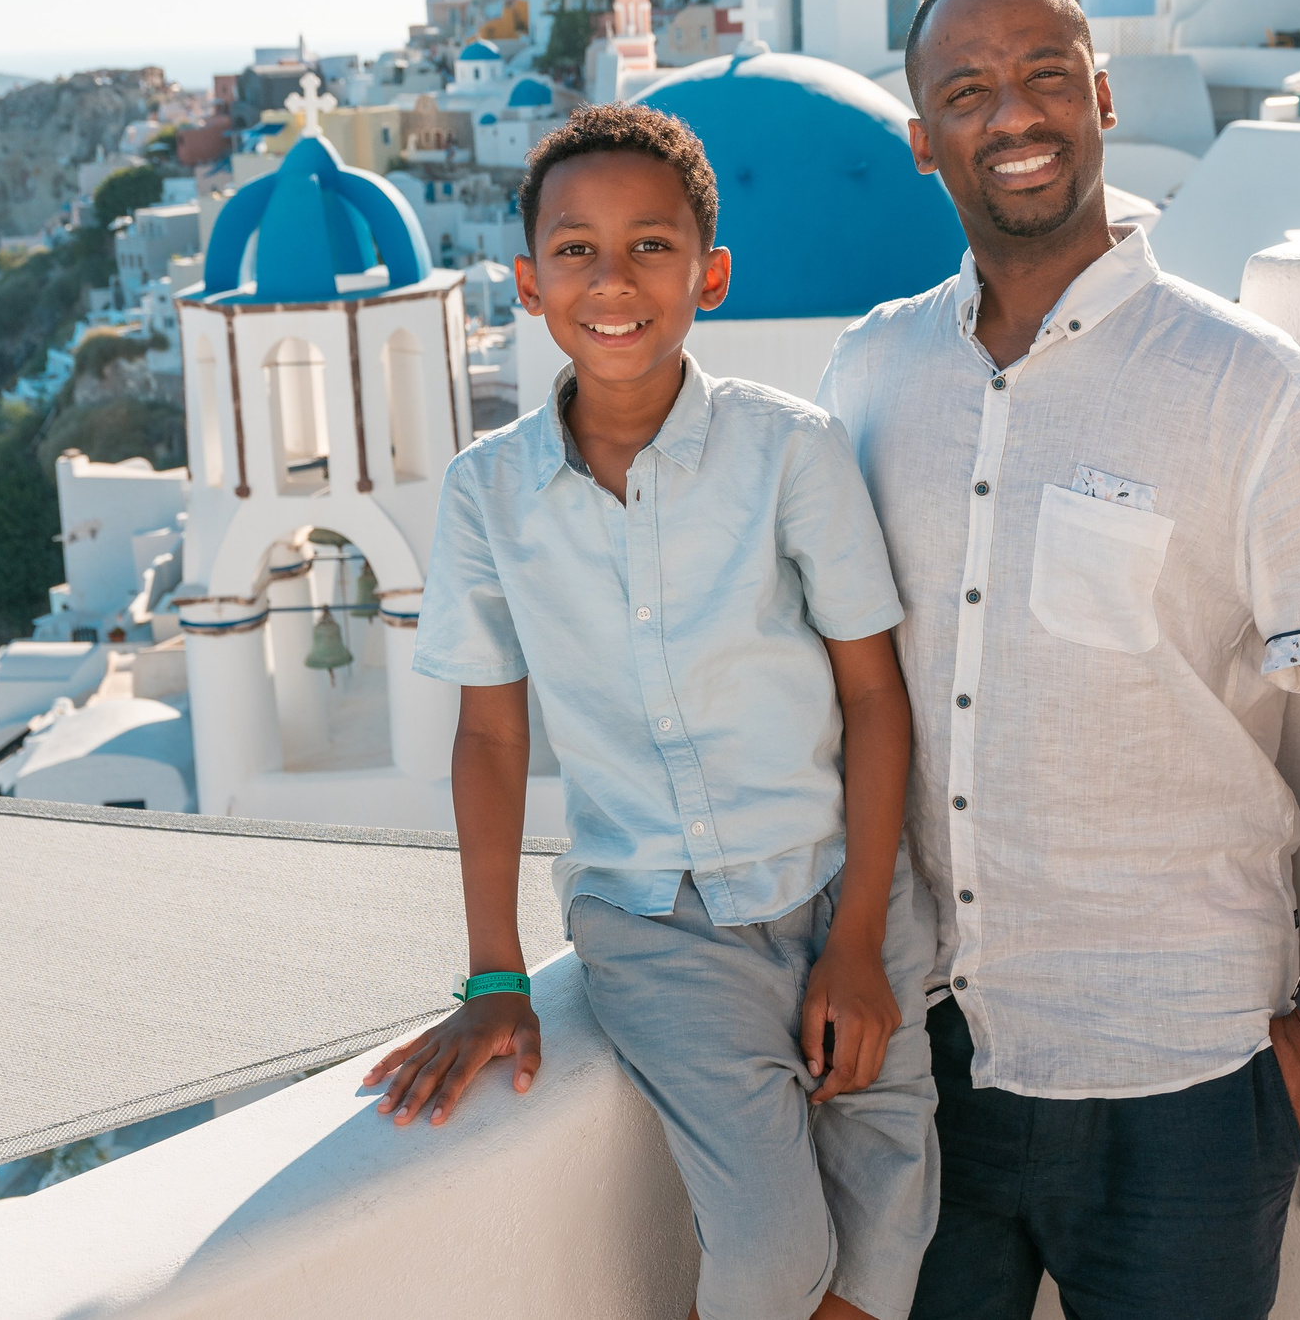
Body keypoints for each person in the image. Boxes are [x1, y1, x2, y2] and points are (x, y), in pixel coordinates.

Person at [817, 0, 1300, 1320]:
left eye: (1045, 74)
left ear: (1101, 97)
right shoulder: (871, 373)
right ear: (923, 139)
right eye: (967, 91)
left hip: (1188, 1081)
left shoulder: (1253, 392)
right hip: (930, 1065)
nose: (1013, 114)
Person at [365, 102, 940, 1320]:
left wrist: (855, 943)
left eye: (650, 247)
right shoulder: (485, 493)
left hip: (846, 890)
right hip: (657, 923)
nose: (612, 280)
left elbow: (872, 694)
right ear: (528, 283)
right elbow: (490, 736)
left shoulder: (791, 451)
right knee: (773, 1256)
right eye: (575, 249)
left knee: (883, 1248)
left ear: (708, 277)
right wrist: (493, 976)